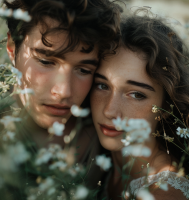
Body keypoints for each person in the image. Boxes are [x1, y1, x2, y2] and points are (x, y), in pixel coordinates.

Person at [3, 0, 121, 193]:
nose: (64, 91)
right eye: (46, 61)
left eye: (83, 70)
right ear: (11, 47)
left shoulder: (110, 128)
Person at [90, 13, 189, 200]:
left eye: (137, 94)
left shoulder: (165, 194)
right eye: (102, 85)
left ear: (166, 106)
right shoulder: (91, 153)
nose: (109, 111)